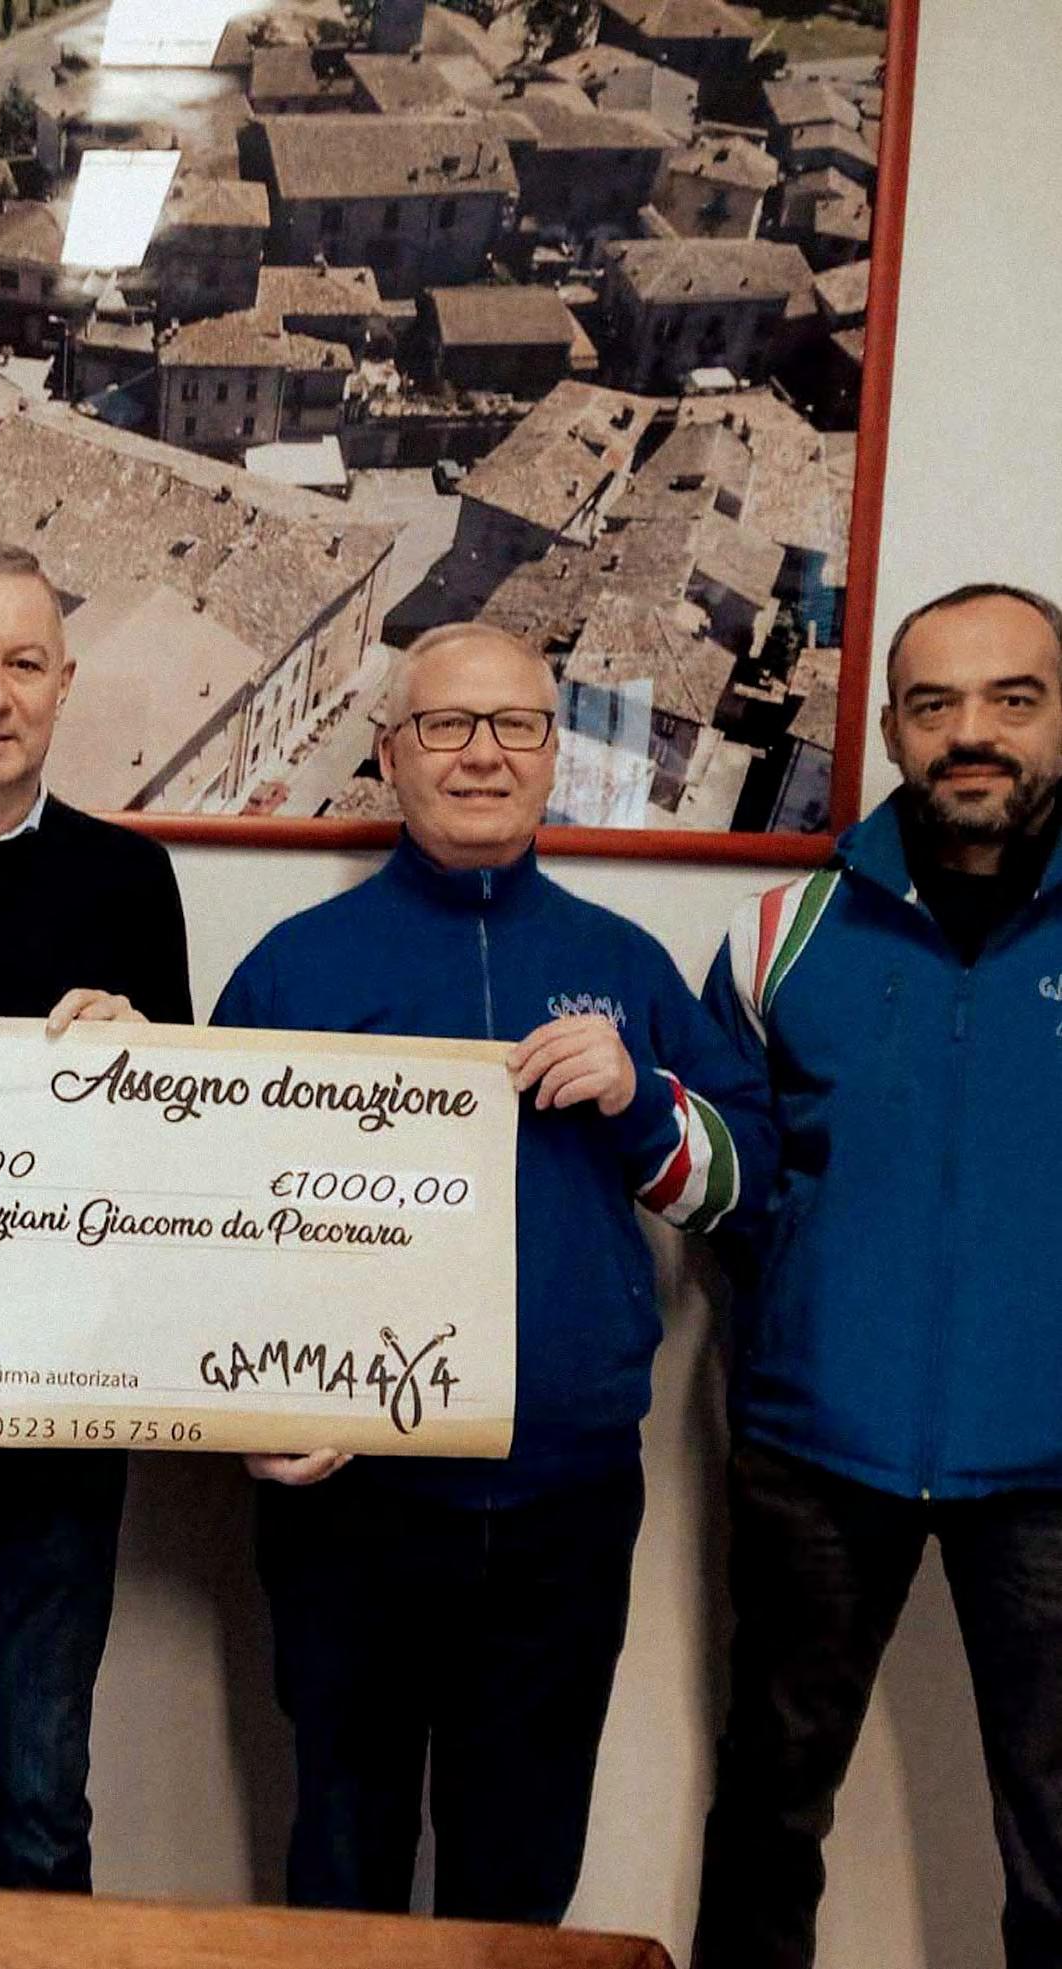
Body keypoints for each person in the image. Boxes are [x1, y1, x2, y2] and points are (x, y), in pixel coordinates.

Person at [213, 620, 774, 1924]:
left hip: (561, 1509)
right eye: (447, 725)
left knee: (518, 1880)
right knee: (341, 1864)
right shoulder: (295, 965)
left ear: (552, 753)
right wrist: (245, 1408)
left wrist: (641, 1101)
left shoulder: (625, 965)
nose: (482, 754)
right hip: (351, 1510)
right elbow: (210, 1227)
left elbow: (742, 1190)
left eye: (516, 725)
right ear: (388, 754)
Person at [695, 582, 1062, 1969]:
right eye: (933, 703)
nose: (971, 733)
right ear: (894, 730)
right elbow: (734, 1187)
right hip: (815, 1455)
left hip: (1051, 1469)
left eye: (1012, 698)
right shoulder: (776, 934)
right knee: (767, 1816)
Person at [0, 538, 192, 1889]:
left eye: (22, 663)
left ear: (63, 686)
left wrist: (147, 1056)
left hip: (55, 1412)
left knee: (41, 1802)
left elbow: (185, 1168)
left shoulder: (128, 881)